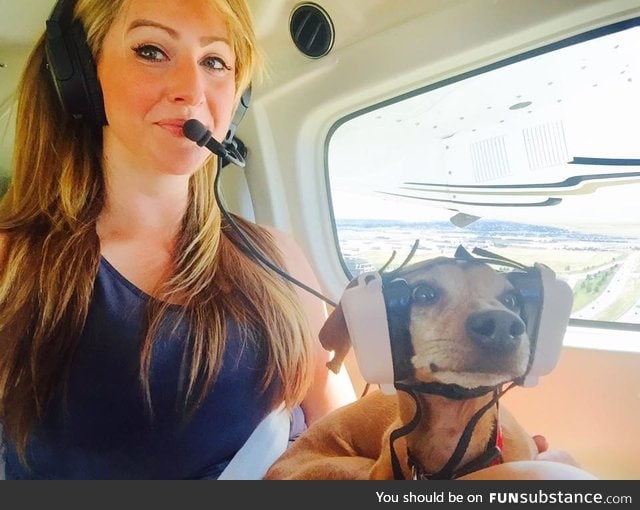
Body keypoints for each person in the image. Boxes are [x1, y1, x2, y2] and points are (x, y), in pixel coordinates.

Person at [0, 0, 593, 480]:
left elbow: (329, 422)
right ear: (77, 76)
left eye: (216, 62)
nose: (192, 87)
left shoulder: (274, 255)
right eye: (151, 51)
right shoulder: (12, 260)